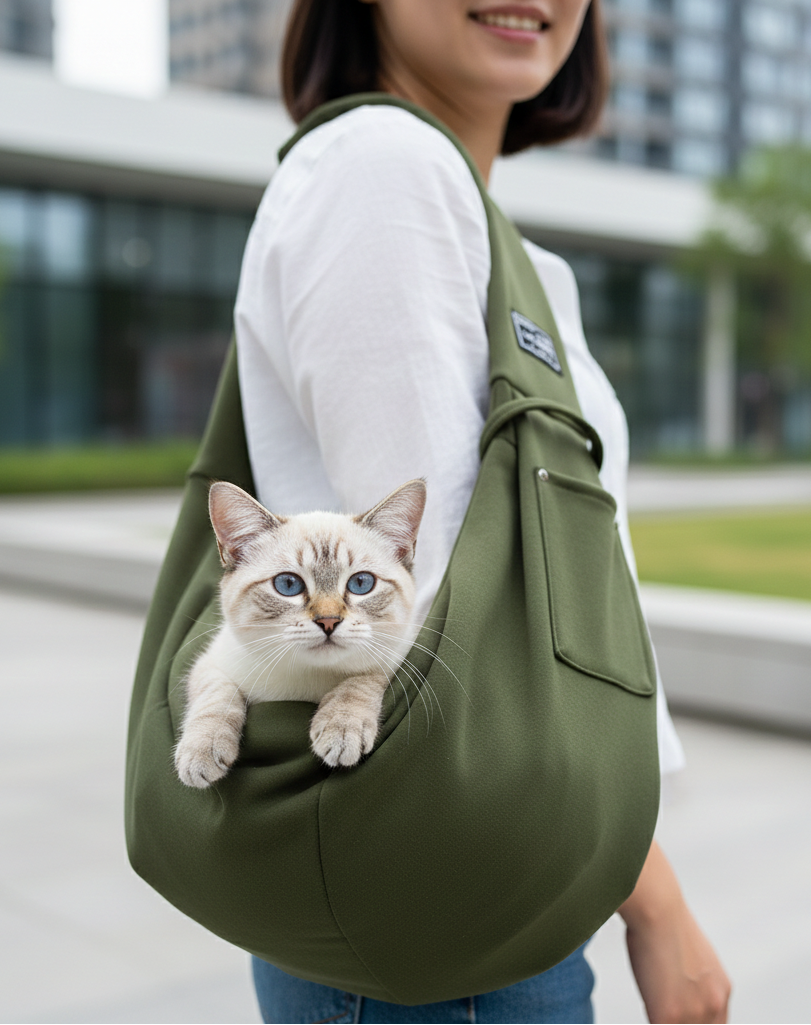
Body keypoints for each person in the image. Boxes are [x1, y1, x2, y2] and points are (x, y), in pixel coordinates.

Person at [234, 1, 732, 1021]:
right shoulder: (383, 168)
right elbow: (459, 606)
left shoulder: (492, 236)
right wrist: (656, 901)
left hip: (495, 874)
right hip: (445, 908)